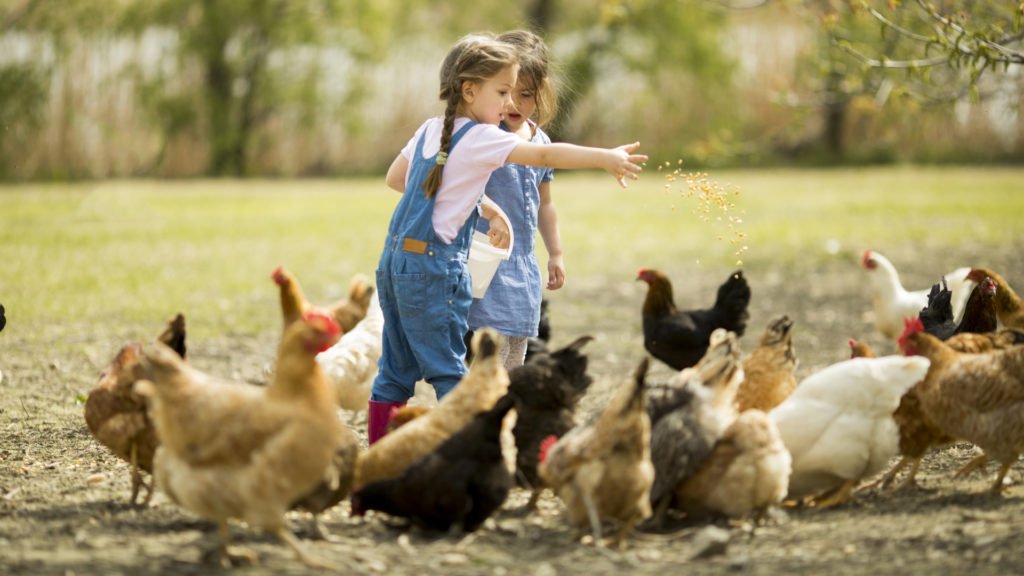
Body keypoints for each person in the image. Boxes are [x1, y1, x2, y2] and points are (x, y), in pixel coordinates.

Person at [368, 32, 646, 444]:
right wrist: (605, 157)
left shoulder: (431, 129)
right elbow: (547, 156)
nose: (508, 104)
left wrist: (479, 204)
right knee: (453, 375)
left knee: (393, 373)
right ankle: (459, 461)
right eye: (501, 92)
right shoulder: (483, 137)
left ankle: (376, 465)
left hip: (394, 266)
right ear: (469, 89)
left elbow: (399, 179)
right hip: (433, 269)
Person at [466, 29, 562, 371]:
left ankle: (506, 407)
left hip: (523, 261)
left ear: (541, 93)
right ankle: (480, 407)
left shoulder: (542, 140)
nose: (515, 104)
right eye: (506, 93)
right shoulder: (486, 136)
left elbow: (545, 204)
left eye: (527, 95)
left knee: (518, 348)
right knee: (487, 349)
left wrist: (556, 253)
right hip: (486, 256)